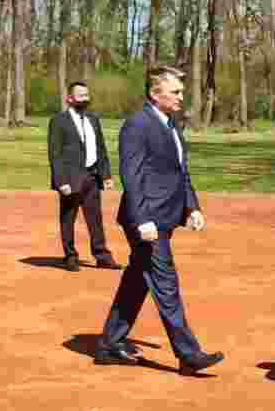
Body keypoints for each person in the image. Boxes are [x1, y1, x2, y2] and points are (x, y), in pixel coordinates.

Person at [94, 66, 224, 375]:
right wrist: (143, 220)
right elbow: (133, 176)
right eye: (175, 91)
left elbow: (181, 172)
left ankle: (110, 342)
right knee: (165, 283)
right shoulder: (138, 125)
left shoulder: (170, 125)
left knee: (138, 279)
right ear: (155, 94)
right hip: (146, 221)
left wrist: (192, 207)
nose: (182, 96)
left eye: (181, 91)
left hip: (165, 217)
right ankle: (188, 354)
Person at [46, 82, 119, 271]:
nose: (85, 99)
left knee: (95, 219)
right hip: (70, 179)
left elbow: (100, 149)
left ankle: (102, 256)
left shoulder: (93, 119)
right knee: (68, 218)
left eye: (86, 95)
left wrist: (106, 175)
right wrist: (61, 181)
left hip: (92, 177)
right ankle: (70, 256)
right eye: (80, 95)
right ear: (69, 98)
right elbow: (55, 154)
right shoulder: (59, 121)